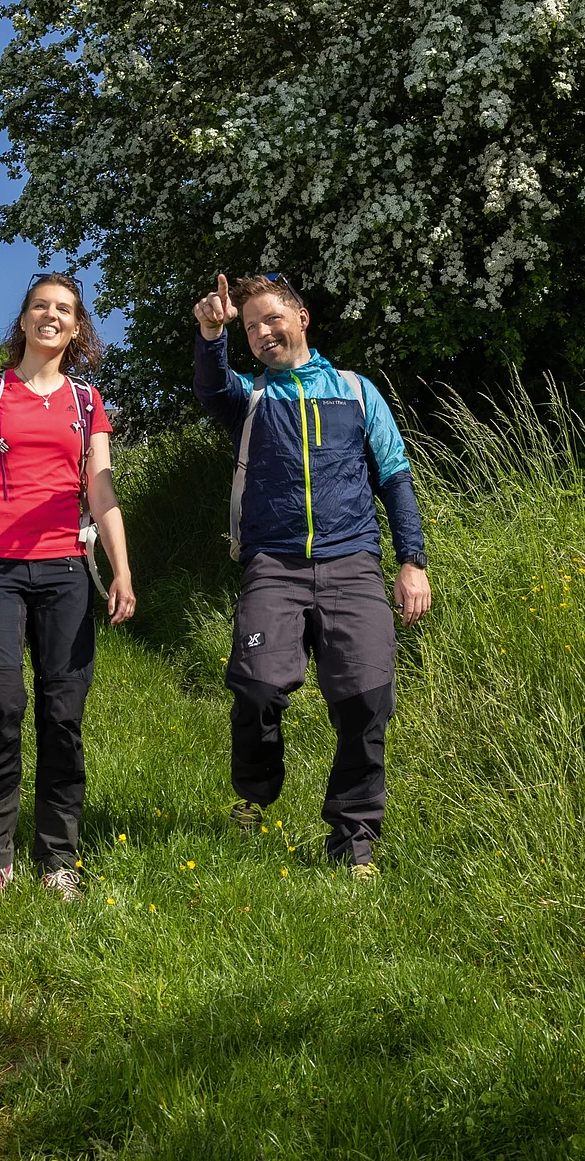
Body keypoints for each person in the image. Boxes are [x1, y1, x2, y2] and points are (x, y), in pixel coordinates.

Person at [192, 272, 430, 873]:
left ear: (302, 318)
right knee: (256, 686)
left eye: (270, 318)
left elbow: (396, 476)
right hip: (273, 565)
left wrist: (411, 560)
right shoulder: (250, 398)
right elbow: (211, 388)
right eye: (250, 327)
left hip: (353, 564)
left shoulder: (354, 390)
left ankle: (355, 840)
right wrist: (211, 335)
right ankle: (254, 792)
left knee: (366, 701)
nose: (262, 332)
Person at [0, 273, 137, 911]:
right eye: (40, 305)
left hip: (66, 571)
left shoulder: (85, 400)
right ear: (22, 320)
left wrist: (122, 568)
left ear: (76, 329)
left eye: (64, 310)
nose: (51, 315)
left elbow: (100, 488)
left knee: (63, 714)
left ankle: (58, 858)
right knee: (1, 702)